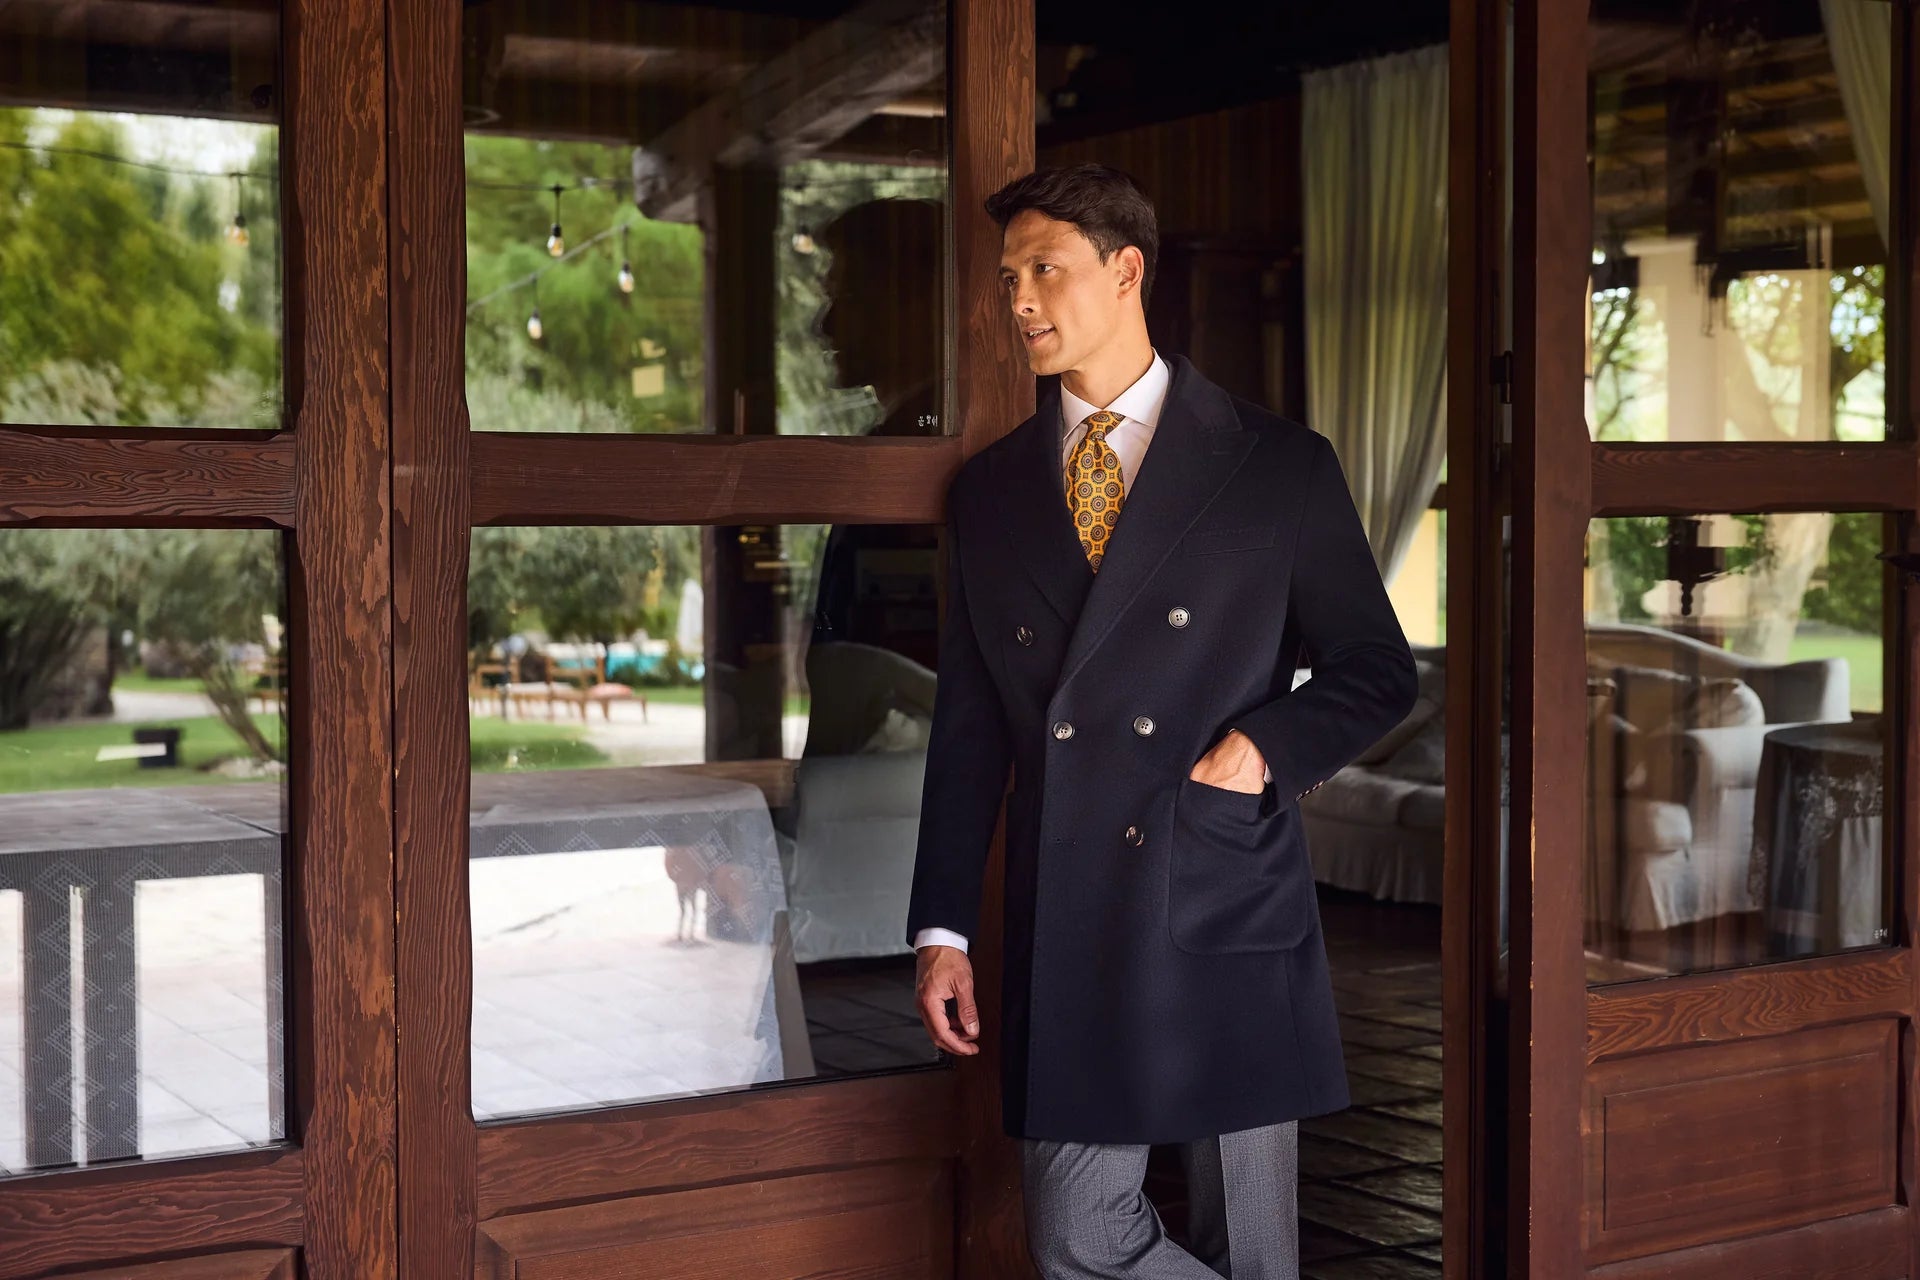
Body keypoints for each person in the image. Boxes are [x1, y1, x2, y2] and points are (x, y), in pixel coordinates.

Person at [903, 163, 1418, 1278]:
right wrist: (942, 928)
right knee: (1077, 1232)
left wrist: (1262, 749)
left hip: (1223, 879)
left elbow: (1378, 669)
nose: (1019, 299)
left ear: (1126, 270)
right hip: (1075, 899)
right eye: (1008, 278)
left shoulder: (1276, 465)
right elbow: (970, 728)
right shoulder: (990, 493)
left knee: (1256, 1247)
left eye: (1045, 269)